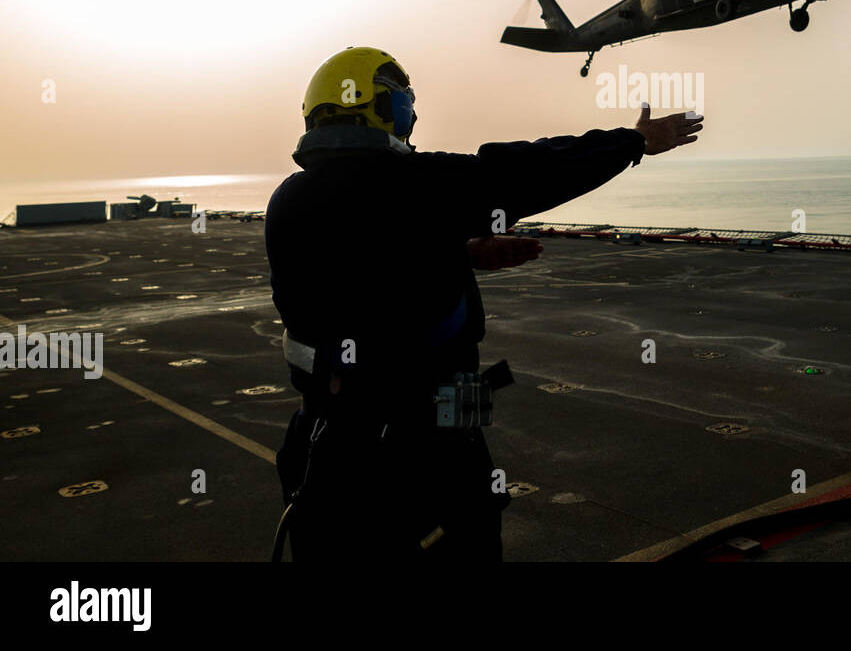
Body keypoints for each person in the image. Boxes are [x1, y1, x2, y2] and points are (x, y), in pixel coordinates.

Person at [266, 46, 702, 562]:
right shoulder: (417, 183)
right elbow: (527, 171)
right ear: (382, 108)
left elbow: (366, 264)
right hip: (421, 448)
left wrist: (462, 252)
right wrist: (632, 142)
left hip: (326, 442)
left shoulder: (288, 199)